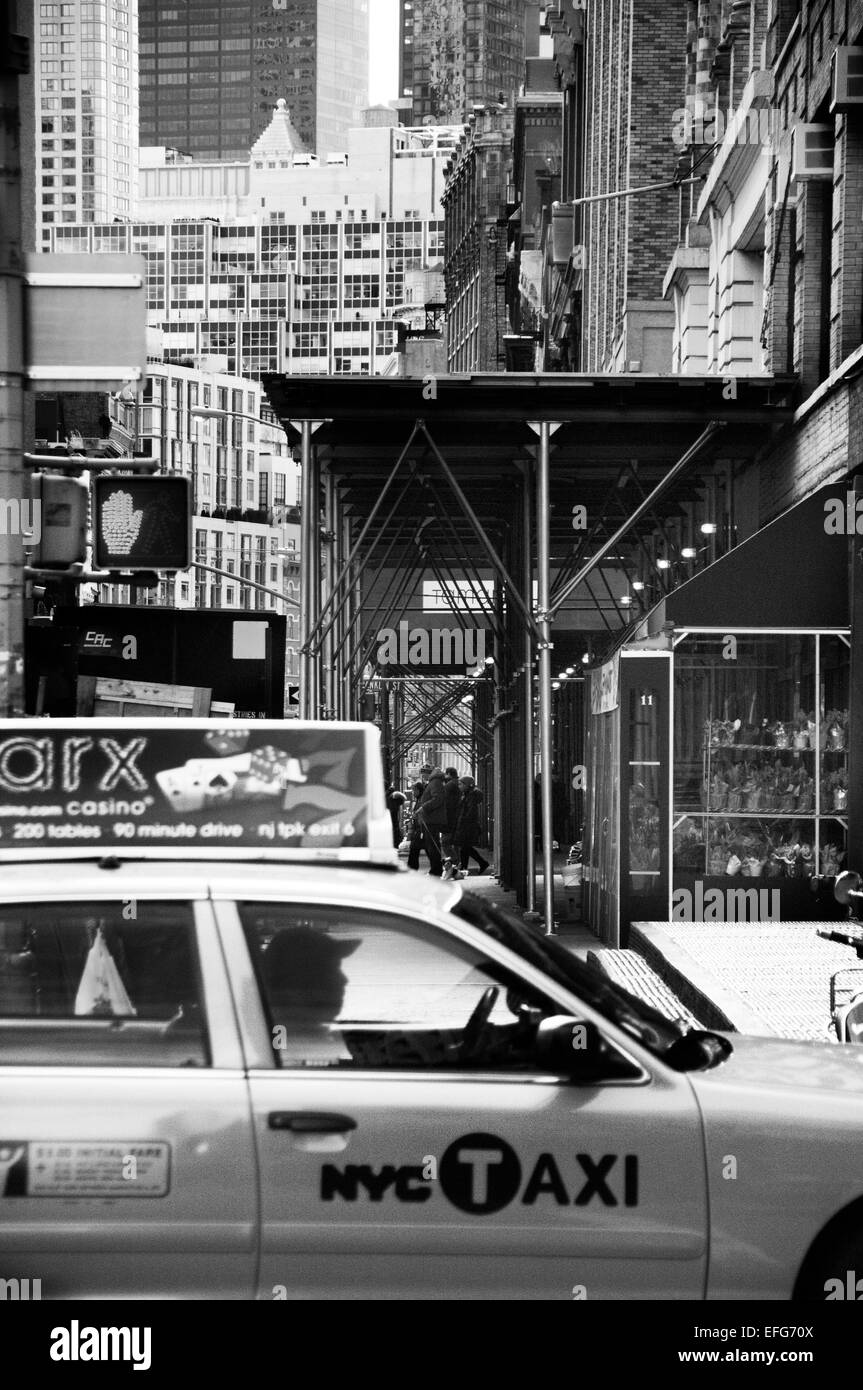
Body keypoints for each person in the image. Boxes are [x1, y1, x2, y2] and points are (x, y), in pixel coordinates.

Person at [411, 766, 447, 876]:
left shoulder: (435, 782)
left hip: (432, 819)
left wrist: (424, 807)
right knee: (430, 845)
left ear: (428, 773)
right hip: (430, 819)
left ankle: (436, 870)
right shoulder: (434, 782)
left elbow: (438, 799)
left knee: (432, 846)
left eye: (423, 774)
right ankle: (435, 869)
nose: (422, 777)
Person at [453, 775, 489, 875]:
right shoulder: (467, 794)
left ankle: (480, 863)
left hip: (468, 826)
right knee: (464, 847)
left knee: (465, 847)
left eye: (461, 784)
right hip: (467, 825)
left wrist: (463, 822)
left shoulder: (470, 796)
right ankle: (465, 867)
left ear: (467, 785)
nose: (459, 786)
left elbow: (470, 811)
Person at [406, 763, 433, 870]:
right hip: (420, 827)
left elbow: (421, 811)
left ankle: (412, 868)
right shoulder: (419, 798)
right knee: (423, 848)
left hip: (422, 827)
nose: (413, 793)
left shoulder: (421, 799)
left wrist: (416, 817)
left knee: (418, 848)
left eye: (414, 790)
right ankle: (412, 867)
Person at [440, 767, 461, 866]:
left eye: (445, 774)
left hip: (449, 818)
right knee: (455, 842)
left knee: (445, 843)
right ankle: (457, 862)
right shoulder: (459, 784)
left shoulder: (449, 786)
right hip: (457, 817)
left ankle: (454, 860)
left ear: (448, 773)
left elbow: (446, 803)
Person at [385, 784, 406, 848]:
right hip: (393, 812)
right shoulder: (393, 795)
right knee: (395, 827)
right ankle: (396, 843)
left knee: (393, 828)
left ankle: (394, 843)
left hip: (389, 812)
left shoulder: (388, 795)